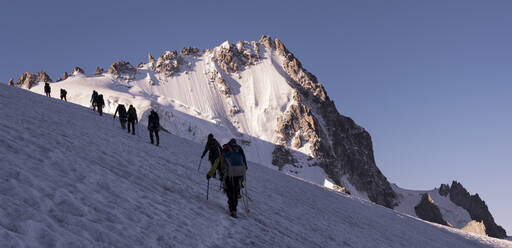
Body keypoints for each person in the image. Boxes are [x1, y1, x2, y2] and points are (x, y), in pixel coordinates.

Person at [207, 138, 247, 218]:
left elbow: (217, 162)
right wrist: (243, 175)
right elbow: (244, 162)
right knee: (235, 192)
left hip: (229, 173)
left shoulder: (225, 150)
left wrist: (209, 174)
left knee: (230, 191)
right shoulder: (238, 149)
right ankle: (234, 209)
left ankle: (232, 209)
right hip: (239, 173)